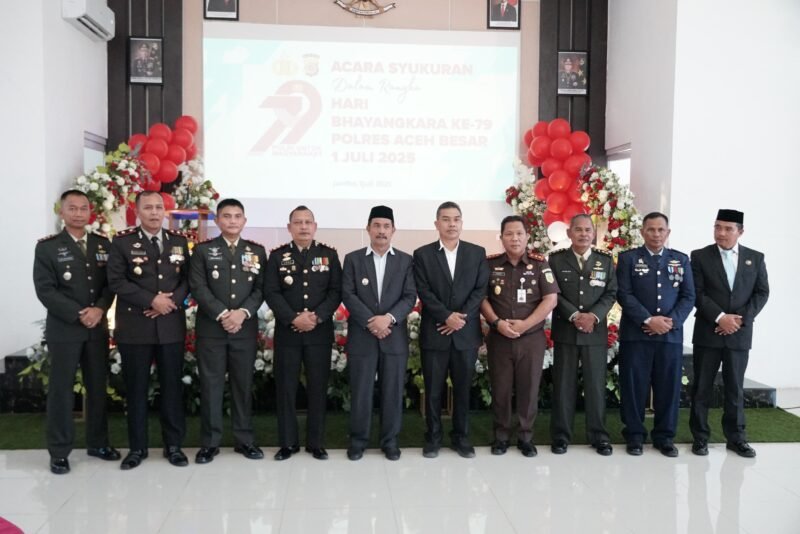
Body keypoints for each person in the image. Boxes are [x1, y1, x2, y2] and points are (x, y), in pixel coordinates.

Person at [33, 190, 120, 474]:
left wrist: (100, 309)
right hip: (65, 329)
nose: (79, 213)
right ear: (62, 211)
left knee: (97, 387)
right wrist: (78, 313)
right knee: (61, 389)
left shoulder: (102, 244)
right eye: (73, 208)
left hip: (96, 328)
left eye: (84, 209)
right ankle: (59, 451)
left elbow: (111, 284)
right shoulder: (47, 247)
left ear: (90, 213)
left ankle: (98, 443)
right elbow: (46, 289)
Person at [107, 191, 189, 470]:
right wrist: (151, 299)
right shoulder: (122, 243)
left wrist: (170, 302)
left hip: (170, 326)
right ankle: (137, 448)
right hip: (135, 327)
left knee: (172, 389)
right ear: (137, 211)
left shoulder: (179, 243)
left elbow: (188, 281)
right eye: (148, 208)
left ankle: (174, 446)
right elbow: (116, 281)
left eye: (159, 207)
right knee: (137, 389)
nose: (155, 212)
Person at [189, 199, 267, 464]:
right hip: (212, 329)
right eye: (227, 216)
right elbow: (198, 287)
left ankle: (245, 440)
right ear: (218, 220)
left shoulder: (257, 251)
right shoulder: (203, 250)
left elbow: (260, 289)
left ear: (244, 221)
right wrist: (223, 314)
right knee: (211, 386)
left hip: (243, 329)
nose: (232, 220)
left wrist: (241, 313)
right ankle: (210, 443)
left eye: (237, 216)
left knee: (242, 385)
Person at [689, 209, 769, 458]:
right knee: (702, 388)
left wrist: (739, 320)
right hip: (708, 331)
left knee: (734, 389)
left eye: (727, 228)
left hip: (739, 334)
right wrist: (720, 317)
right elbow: (697, 293)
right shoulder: (700, 256)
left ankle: (736, 438)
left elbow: (761, 292)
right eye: (717, 227)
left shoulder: (754, 258)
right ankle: (700, 438)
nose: (721, 233)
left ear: (740, 232)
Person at [264, 206, 342, 461]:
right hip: (289, 333)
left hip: (319, 333)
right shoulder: (277, 256)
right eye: (298, 222)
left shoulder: (328, 255)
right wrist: (293, 318)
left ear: (315, 226)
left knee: (318, 388)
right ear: (289, 228)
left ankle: (315, 442)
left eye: (308, 222)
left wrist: (316, 317)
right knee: (286, 389)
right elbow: (272, 292)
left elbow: (335, 291)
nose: (304, 227)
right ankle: (288, 443)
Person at [413, 201, 489, 458]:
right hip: (435, 332)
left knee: (463, 390)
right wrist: (446, 316)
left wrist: (460, 318)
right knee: (433, 390)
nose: (452, 223)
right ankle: (433, 438)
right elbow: (423, 291)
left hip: (465, 334)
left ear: (462, 223)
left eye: (456, 219)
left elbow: (480, 290)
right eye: (446, 219)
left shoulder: (476, 253)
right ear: (437, 224)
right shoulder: (422, 254)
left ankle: (461, 437)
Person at [341, 206, 416, 461]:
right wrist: (371, 321)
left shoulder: (406, 260)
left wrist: (389, 319)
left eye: (386, 226)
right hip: (363, 336)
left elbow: (409, 296)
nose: (381, 231)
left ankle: (390, 441)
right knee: (361, 390)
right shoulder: (352, 259)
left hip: (393, 337)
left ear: (393, 230)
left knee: (393, 390)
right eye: (377, 226)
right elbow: (348, 294)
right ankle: (359, 441)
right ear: (368, 229)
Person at [616, 212, 695, 457]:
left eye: (661, 230)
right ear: (642, 232)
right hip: (636, 335)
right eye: (651, 229)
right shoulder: (629, 259)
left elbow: (688, 296)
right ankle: (635, 436)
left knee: (668, 388)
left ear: (668, 233)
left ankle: (664, 437)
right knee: (634, 387)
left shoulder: (680, 260)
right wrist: (649, 319)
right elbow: (623, 294)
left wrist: (670, 322)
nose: (656, 234)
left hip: (669, 337)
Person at [479, 215, 558, 457]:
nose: (514, 238)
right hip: (499, 338)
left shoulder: (540, 263)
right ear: (501, 237)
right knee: (501, 389)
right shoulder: (490, 264)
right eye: (509, 234)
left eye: (519, 234)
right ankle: (501, 436)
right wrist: (497, 323)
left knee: (529, 388)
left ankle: (525, 437)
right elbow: (481, 298)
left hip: (530, 339)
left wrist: (525, 325)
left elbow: (551, 299)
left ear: (527, 237)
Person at [548, 214, 618, 456]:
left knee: (596, 387)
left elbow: (611, 293)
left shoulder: (605, 260)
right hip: (566, 330)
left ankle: (599, 436)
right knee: (563, 386)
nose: (584, 234)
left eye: (588, 230)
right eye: (578, 230)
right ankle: (560, 436)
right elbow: (552, 292)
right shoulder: (555, 260)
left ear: (593, 233)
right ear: (569, 233)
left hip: (594, 333)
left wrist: (593, 317)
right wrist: (575, 316)